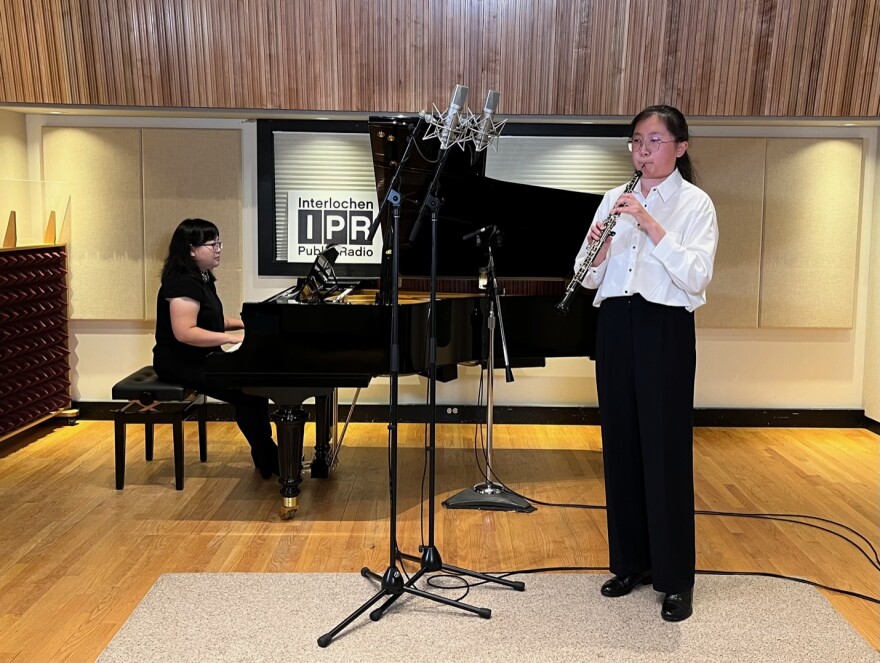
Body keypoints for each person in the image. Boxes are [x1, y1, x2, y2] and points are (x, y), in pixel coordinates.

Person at [574, 105, 718, 622]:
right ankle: (630, 563)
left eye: (654, 141)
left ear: (680, 147)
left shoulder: (695, 203)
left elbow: (696, 276)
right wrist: (600, 246)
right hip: (615, 324)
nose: (642, 150)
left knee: (664, 450)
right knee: (621, 445)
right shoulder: (613, 198)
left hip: (664, 329)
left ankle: (675, 578)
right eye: (636, 140)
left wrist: (652, 225)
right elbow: (586, 278)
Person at [153, 218, 280, 479]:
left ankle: (267, 456)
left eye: (219, 243)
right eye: (212, 244)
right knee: (247, 390)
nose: (218, 249)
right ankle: (269, 457)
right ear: (191, 249)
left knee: (252, 386)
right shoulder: (182, 283)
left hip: (201, 356)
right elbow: (185, 332)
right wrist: (231, 340)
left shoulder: (202, 278)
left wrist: (250, 325)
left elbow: (212, 320)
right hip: (180, 362)